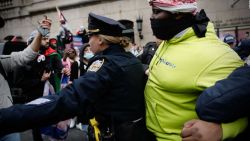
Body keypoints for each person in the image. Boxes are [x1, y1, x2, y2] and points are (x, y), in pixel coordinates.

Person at [0, 12, 153, 141]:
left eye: (90, 35)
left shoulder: (106, 65)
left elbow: (69, 99)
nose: (88, 41)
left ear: (100, 40)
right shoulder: (129, 59)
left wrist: (8, 117)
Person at [145, 0, 247, 140]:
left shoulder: (216, 55)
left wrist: (222, 130)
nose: (151, 17)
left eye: (157, 12)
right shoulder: (171, 39)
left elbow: (244, 101)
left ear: (178, 14)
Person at [0, 17, 51, 141]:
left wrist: (40, 33)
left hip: (7, 123)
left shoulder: (2, 61)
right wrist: (40, 80)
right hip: (29, 101)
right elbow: (21, 82)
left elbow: (24, 56)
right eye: (44, 39)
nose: (47, 41)